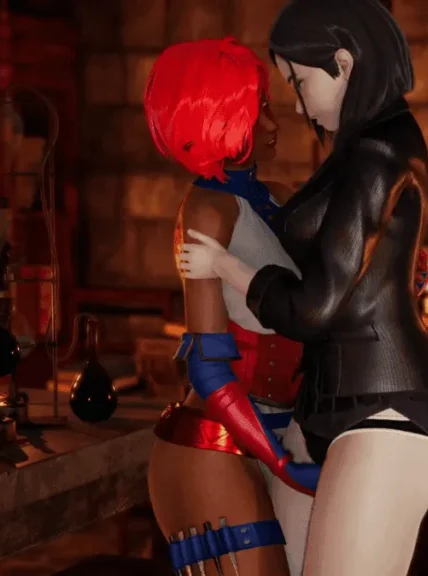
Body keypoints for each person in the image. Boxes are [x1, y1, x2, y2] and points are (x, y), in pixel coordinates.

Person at [177, 1, 428, 574]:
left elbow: (312, 308)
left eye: (299, 83)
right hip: (320, 412)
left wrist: (227, 267)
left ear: (343, 64)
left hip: (381, 409)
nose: (297, 108)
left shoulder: (376, 152)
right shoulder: (354, 150)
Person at [143, 37, 318, 576]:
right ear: (216, 118)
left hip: (283, 430)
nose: (272, 122)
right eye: (255, 108)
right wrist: (279, 460)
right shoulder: (206, 211)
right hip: (216, 441)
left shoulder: (282, 195)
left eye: (267, 104)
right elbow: (207, 364)